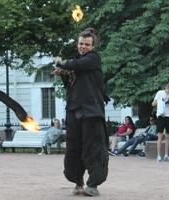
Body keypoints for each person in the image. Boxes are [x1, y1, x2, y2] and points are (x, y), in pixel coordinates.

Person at [53, 28, 109, 196]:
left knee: (93, 148)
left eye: (87, 44)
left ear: (92, 46)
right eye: (81, 44)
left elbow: (76, 64)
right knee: (74, 149)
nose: (83, 46)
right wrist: (63, 74)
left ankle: (93, 185)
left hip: (91, 111)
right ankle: (78, 182)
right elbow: (71, 85)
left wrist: (61, 63)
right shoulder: (77, 66)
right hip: (74, 110)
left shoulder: (93, 59)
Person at [152, 83, 169, 162]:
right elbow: (153, 104)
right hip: (161, 115)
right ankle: (158, 155)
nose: (168, 91)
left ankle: (166, 155)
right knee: (160, 136)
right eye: (168, 89)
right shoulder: (160, 92)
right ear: (166, 87)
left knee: (168, 136)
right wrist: (161, 100)